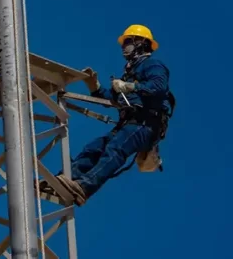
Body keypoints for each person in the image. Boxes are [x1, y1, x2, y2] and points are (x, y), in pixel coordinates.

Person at [43, 24, 175, 206]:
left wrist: (131, 86)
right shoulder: (130, 72)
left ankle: (84, 187)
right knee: (94, 148)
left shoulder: (152, 65)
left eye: (128, 41)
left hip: (146, 123)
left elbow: (159, 87)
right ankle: (65, 180)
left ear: (141, 43)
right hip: (130, 123)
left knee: (115, 149)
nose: (124, 46)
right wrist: (94, 86)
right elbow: (112, 98)